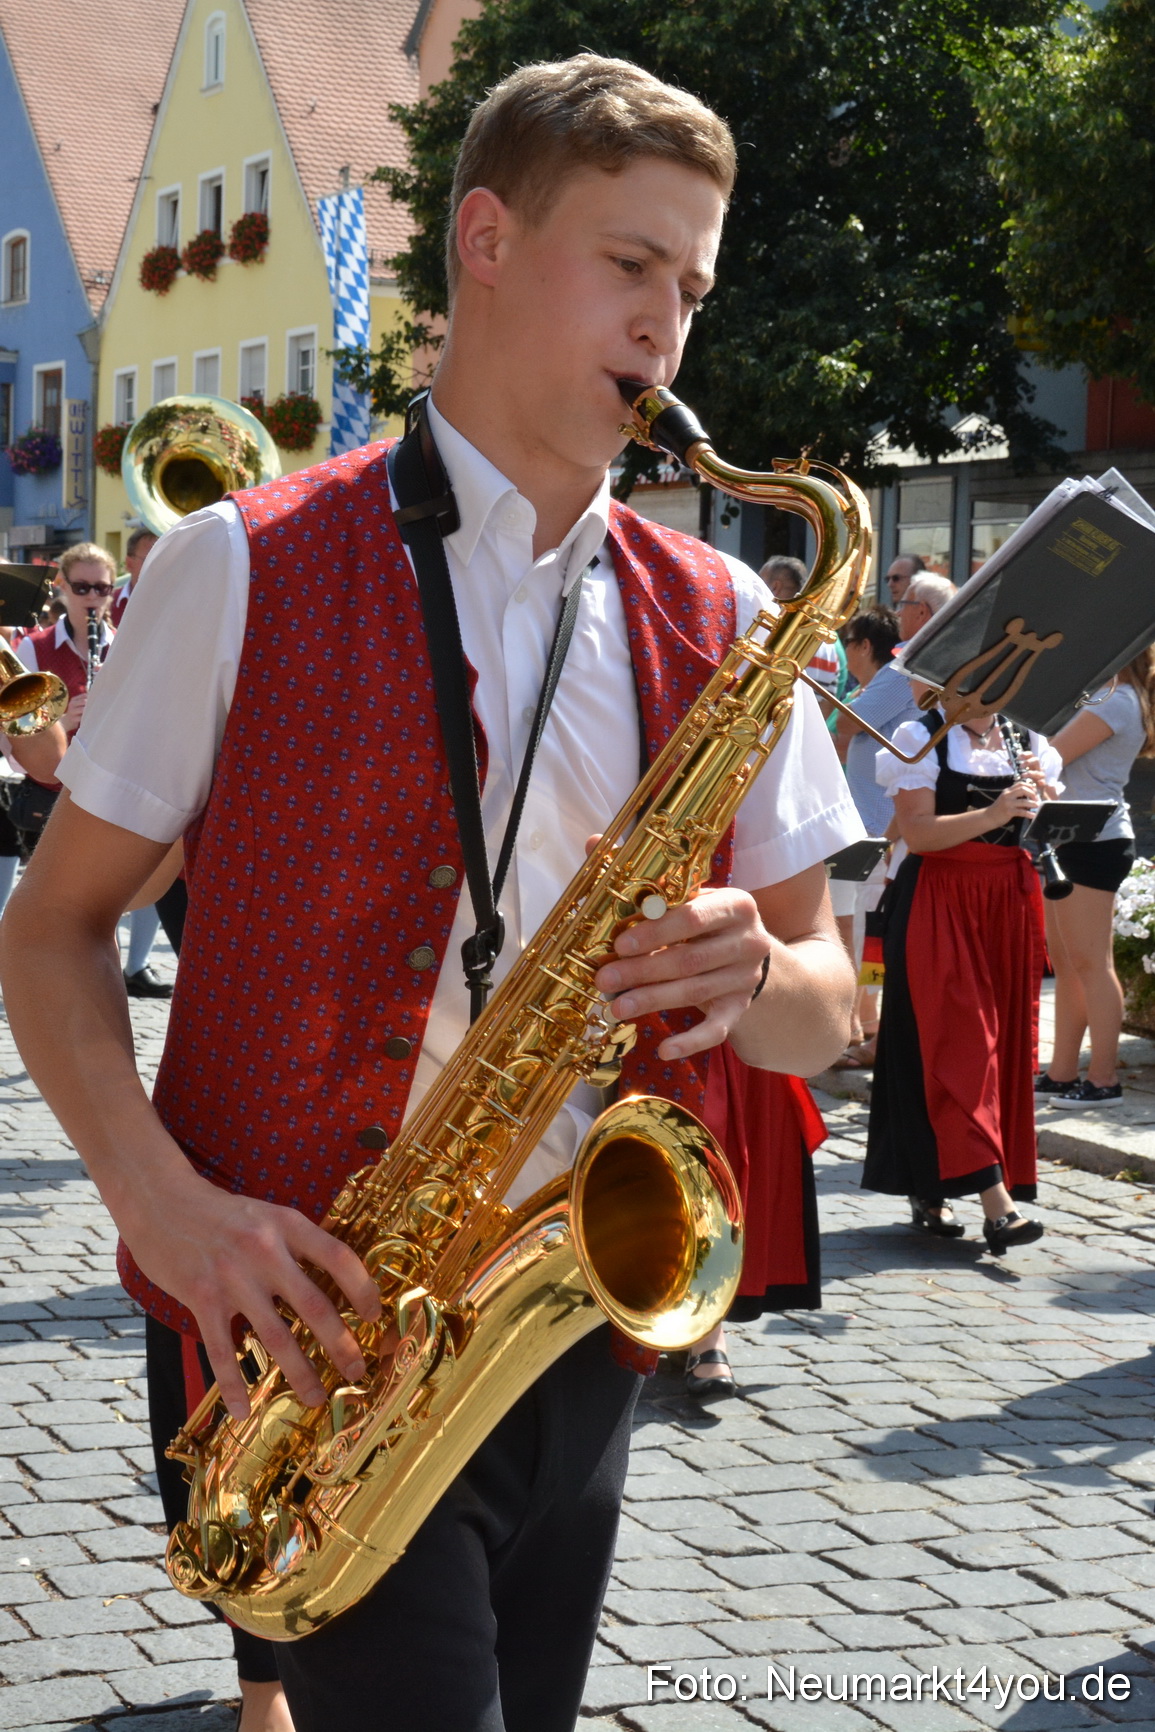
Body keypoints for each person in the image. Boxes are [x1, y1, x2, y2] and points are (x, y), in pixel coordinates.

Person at [0, 55, 861, 1732]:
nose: (668, 325)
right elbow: (48, 925)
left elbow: (829, 1001)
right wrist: (162, 1208)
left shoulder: (721, 606)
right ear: (481, 236)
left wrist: (761, 976)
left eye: (691, 285)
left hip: (573, 1327)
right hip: (306, 1327)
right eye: (629, 265)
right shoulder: (237, 559)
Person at [863, 699, 1060, 1253]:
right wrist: (996, 813)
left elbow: (1040, 825)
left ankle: (928, 1188)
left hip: (1007, 902)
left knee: (996, 1047)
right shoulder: (917, 735)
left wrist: (1045, 802)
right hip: (939, 897)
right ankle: (998, 1207)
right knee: (960, 1042)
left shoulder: (1026, 737)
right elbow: (919, 834)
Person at [1037, 651, 1155, 1109]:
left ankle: (1104, 1080)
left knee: (1092, 964)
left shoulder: (1117, 701)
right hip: (1072, 836)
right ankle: (1061, 1072)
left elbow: (1051, 756)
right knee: (1068, 964)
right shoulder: (1113, 697)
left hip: (1094, 839)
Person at [828, 604, 920, 1067]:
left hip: (878, 828)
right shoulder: (880, 682)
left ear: (864, 646)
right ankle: (864, 1025)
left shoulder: (894, 675)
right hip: (871, 824)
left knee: (864, 932)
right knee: (862, 930)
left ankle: (867, 1030)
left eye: (848, 643)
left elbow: (846, 724)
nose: (845, 654)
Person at [8, 544, 114, 852]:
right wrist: (63, 721)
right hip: (52, 793)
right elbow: (15, 730)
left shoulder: (125, 647)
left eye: (102, 588)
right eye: (82, 588)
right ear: (63, 586)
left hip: (108, 796)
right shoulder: (33, 647)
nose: (93, 597)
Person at [759, 555, 847, 732]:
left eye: (760, 585)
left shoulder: (769, 633)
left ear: (774, 587)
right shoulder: (829, 642)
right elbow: (828, 703)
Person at [112, 526, 158, 627]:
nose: (157, 566)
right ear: (129, 564)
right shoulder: (107, 605)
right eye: (149, 560)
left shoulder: (175, 604)